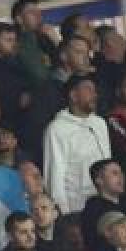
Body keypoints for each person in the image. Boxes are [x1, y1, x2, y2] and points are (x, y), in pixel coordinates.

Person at [43, 74, 111, 214]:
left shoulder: (100, 123)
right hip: (77, 207)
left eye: (95, 90)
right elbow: (54, 175)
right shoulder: (57, 129)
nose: (95, 95)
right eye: (88, 89)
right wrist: (63, 212)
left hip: (105, 201)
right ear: (73, 95)